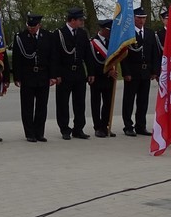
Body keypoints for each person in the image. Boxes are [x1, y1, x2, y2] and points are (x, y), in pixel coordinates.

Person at [51, 7, 94, 140]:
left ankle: (78, 128)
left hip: (79, 72)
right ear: (73, 20)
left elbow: (88, 54)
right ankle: (64, 128)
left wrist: (91, 72)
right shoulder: (59, 34)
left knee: (80, 102)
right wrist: (56, 74)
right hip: (64, 72)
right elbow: (54, 56)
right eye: (80, 20)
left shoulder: (82, 34)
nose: (82, 22)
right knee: (63, 103)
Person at [12, 13, 54, 142]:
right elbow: (16, 59)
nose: (31, 28)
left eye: (34, 26)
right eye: (29, 26)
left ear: (39, 25)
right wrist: (17, 77)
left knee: (42, 106)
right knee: (27, 106)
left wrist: (53, 76)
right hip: (27, 75)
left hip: (43, 75)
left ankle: (39, 132)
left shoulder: (48, 36)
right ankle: (29, 133)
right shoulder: (20, 37)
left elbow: (52, 58)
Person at [122, 7, 160, 137]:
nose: (141, 20)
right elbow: (123, 56)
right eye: (139, 18)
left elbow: (155, 53)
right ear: (133, 18)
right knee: (129, 100)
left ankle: (141, 125)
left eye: (143, 18)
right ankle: (128, 126)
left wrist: (154, 70)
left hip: (146, 71)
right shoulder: (128, 33)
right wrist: (126, 72)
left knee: (143, 101)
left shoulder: (150, 33)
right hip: (132, 71)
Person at [89, 19, 117, 138]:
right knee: (96, 103)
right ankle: (98, 127)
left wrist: (112, 71)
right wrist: (106, 71)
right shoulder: (92, 43)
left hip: (109, 78)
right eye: (109, 31)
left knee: (108, 103)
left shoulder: (112, 42)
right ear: (104, 30)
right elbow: (92, 62)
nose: (111, 33)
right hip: (97, 77)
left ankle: (105, 126)